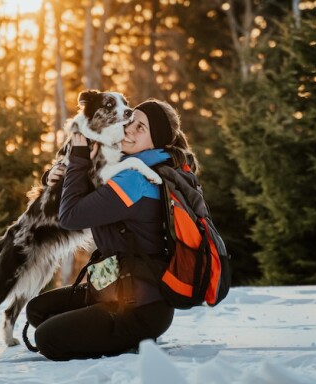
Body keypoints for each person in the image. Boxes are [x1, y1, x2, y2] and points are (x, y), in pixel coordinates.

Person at [26, 99, 196, 361]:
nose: (129, 129)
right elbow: (86, 185)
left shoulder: (136, 180)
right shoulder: (143, 166)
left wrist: (79, 155)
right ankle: (104, 327)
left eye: (141, 127)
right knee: (38, 310)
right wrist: (52, 175)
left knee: (47, 338)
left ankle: (128, 338)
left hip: (138, 308)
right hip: (119, 288)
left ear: (157, 140)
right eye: (131, 121)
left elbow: (72, 216)